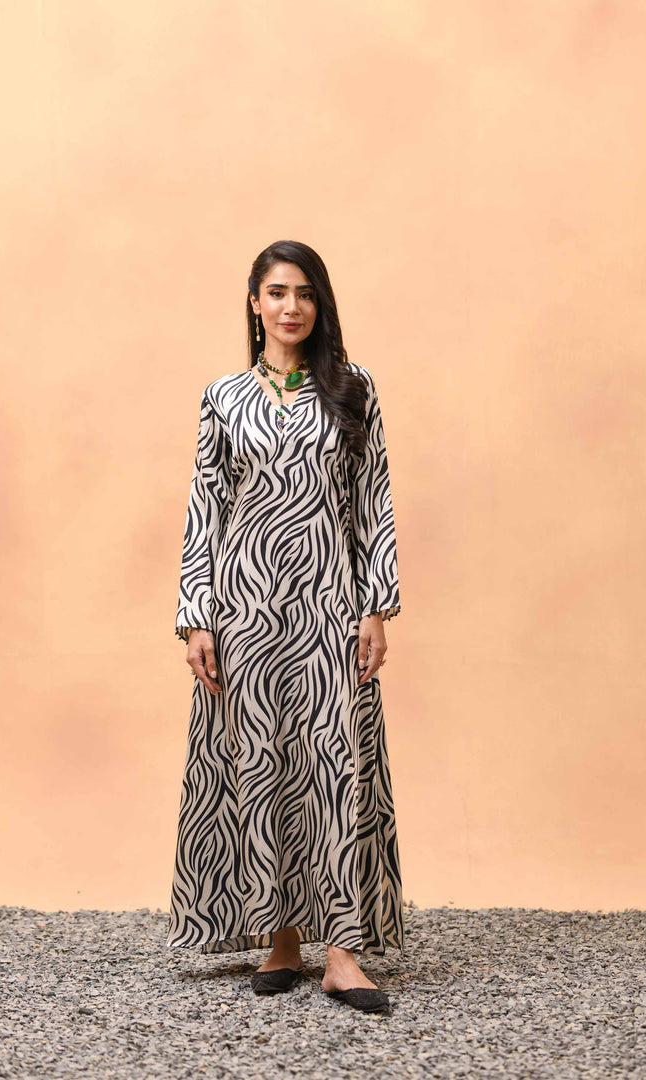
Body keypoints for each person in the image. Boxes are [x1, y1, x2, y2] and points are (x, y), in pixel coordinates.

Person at [166, 240, 404, 1015]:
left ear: (319, 302)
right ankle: (280, 939)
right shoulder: (223, 397)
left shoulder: (352, 388)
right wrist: (197, 617)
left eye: (304, 292)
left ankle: (343, 953)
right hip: (245, 608)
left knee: (334, 767)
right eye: (277, 292)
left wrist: (376, 605)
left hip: (330, 601)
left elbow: (373, 501)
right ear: (255, 302)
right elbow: (206, 511)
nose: (291, 306)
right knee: (260, 764)